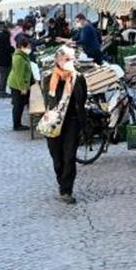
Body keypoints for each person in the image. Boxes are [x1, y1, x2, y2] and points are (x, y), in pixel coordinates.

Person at [47, 46, 88, 203]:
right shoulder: (48, 78)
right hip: (53, 123)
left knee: (69, 156)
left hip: (72, 121)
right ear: (58, 60)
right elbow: (47, 101)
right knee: (57, 158)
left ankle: (67, 190)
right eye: (66, 59)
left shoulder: (79, 78)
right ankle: (61, 181)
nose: (70, 62)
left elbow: (82, 100)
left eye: (72, 59)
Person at [7, 35, 34, 131]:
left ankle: (18, 123)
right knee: (18, 105)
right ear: (22, 47)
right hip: (17, 85)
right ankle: (17, 125)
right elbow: (19, 75)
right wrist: (22, 88)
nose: (29, 48)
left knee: (20, 104)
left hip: (20, 84)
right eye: (28, 47)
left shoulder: (23, 55)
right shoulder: (19, 58)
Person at [0, 22, 14, 98]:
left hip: (1, 58)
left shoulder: (1, 34)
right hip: (5, 59)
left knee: (4, 76)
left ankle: (2, 91)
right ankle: (2, 92)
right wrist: (13, 49)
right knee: (5, 76)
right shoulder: (5, 35)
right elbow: (7, 48)